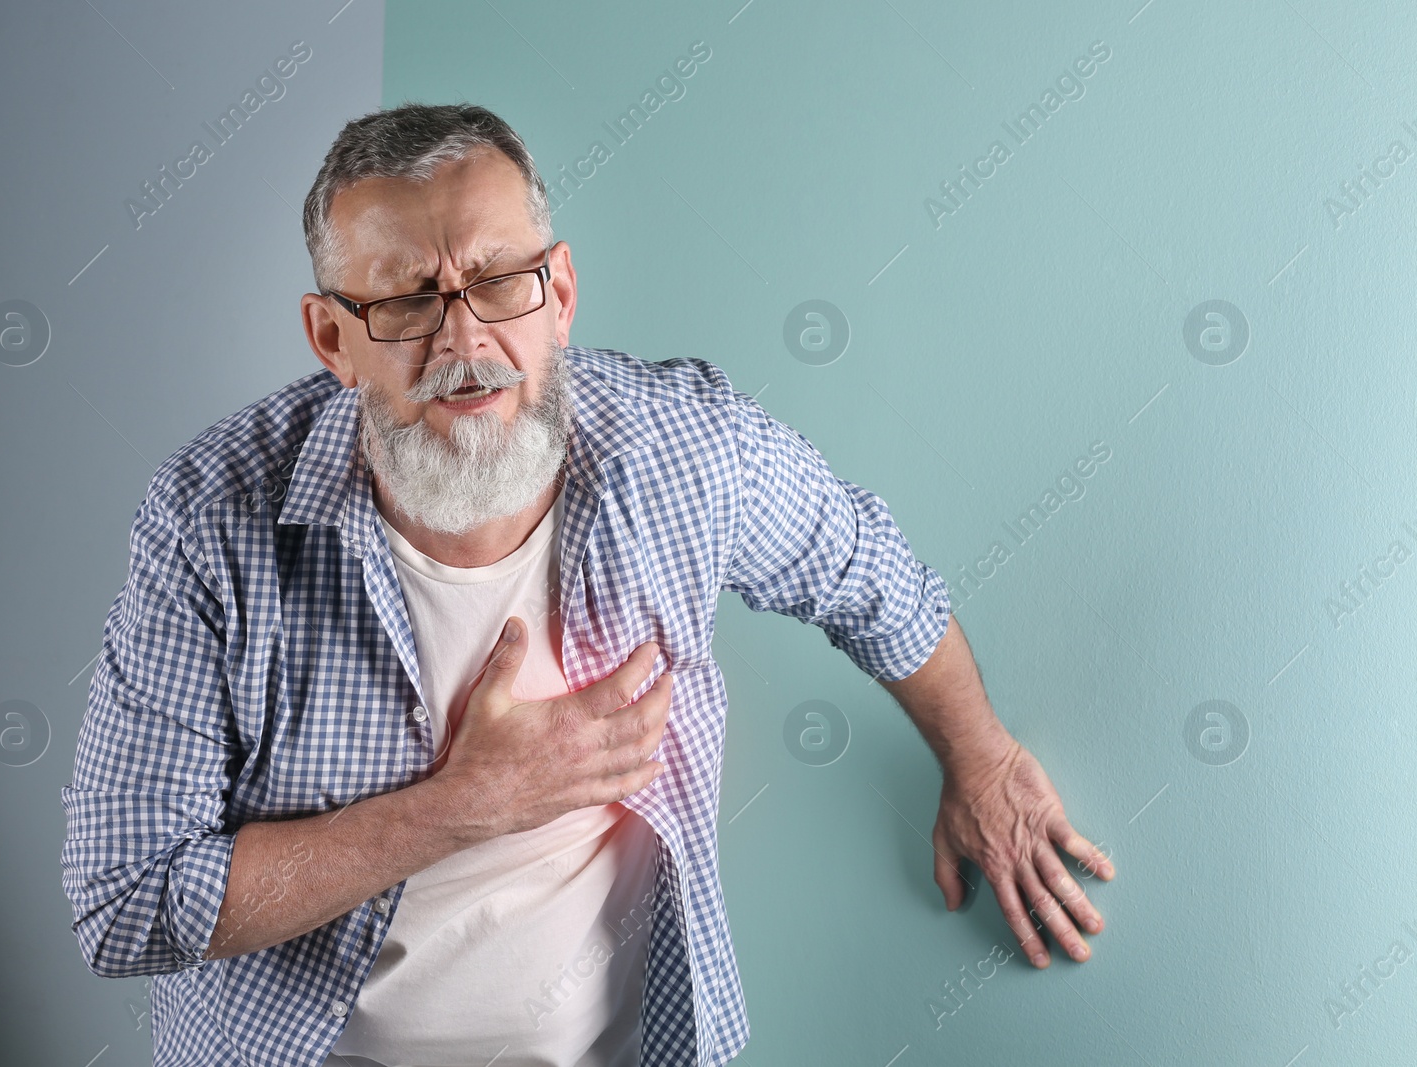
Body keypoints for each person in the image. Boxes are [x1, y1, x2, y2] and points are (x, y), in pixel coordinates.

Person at [60, 102, 1115, 1067]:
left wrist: (979, 759)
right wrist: (466, 803)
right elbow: (124, 899)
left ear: (558, 292)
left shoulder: (684, 450)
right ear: (332, 337)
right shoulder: (211, 518)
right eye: (405, 304)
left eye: (497, 281)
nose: (464, 339)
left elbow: (865, 572)